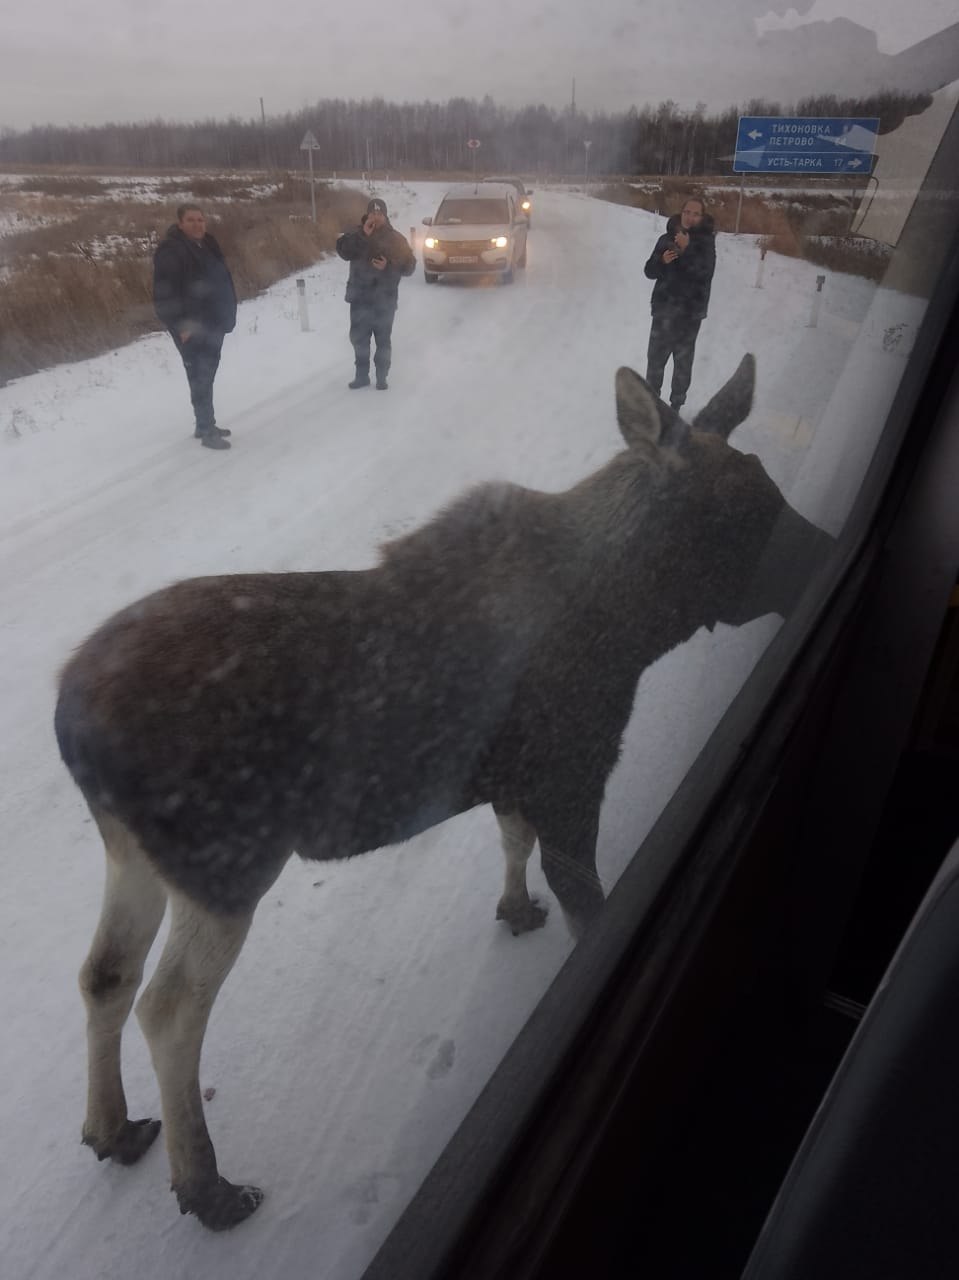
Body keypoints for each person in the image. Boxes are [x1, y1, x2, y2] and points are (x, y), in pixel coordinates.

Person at [153, 204, 237, 450]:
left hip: (213, 321)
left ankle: (204, 424)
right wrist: (182, 325)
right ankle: (207, 429)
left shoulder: (208, 244)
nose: (197, 224)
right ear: (180, 224)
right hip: (191, 327)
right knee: (200, 376)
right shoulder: (171, 250)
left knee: (207, 374)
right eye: (191, 220)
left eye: (200, 219)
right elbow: (164, 293)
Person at [643, 198, 716, 413]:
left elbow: (704, 274)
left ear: (701, 218)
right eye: (687, 212)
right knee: (655, 359)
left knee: (682, 362)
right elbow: (649, 271)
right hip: (664, 310)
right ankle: (652, 404)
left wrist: (687, 249)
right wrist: (661, 261)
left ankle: (676, 405)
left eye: (695, 213)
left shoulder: (706, 244)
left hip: (689, 315)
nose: (690, 217)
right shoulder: (666, 239)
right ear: (681, 213)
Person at [336, 198, 416, 391]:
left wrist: (389, 266)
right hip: (359, 298)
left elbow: (410, 267)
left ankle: (381, 377)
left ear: (385, 216)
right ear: (367, 215)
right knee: (359, 340)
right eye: (373, 213)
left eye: (380, 214)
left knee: (383, 341)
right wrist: (363, 235)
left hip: (384, 300)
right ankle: (361, 376)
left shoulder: (396, 239)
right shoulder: (356, 234)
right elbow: (343, 251)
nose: (376, 217)